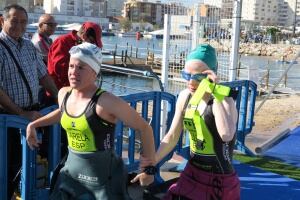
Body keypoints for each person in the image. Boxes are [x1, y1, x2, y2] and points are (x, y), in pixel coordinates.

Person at [26, 42, 156, 199]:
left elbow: (144, 128)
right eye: (71, 66)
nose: (73, 72)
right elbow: (63, 113)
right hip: (71, 171)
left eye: (81, 67)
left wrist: (148, 170)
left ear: (95, 72)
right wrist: (34, 124)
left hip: (101, 177)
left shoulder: (106, 102)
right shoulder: (64, 94)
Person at [143, 44, 240, 199]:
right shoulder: (185, 96)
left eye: (198, 78)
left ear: (211, 75)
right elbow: (172, 135)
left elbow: (227, 135)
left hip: (219, 180)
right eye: (187, 76)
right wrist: (151, 163)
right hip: (192, 172)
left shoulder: (224, 100)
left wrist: (215, 92)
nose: (191, 83)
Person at [0, 4, 58, 199]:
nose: (19, 26)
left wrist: (61, 98)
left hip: (31, 115)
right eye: (14, 21)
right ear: (2, 21)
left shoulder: (28, 46)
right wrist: (20, 113)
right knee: (7, 165)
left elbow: (44, 76)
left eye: (23, 22)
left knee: (24, 163)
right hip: (9, 118)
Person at [47, 21, 103, 91]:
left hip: (74, 91)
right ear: (84, 36)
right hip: (57, 92)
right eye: (92, 41)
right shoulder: (62, 42)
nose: (92, 45)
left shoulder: (77, 44)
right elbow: (61, 71)